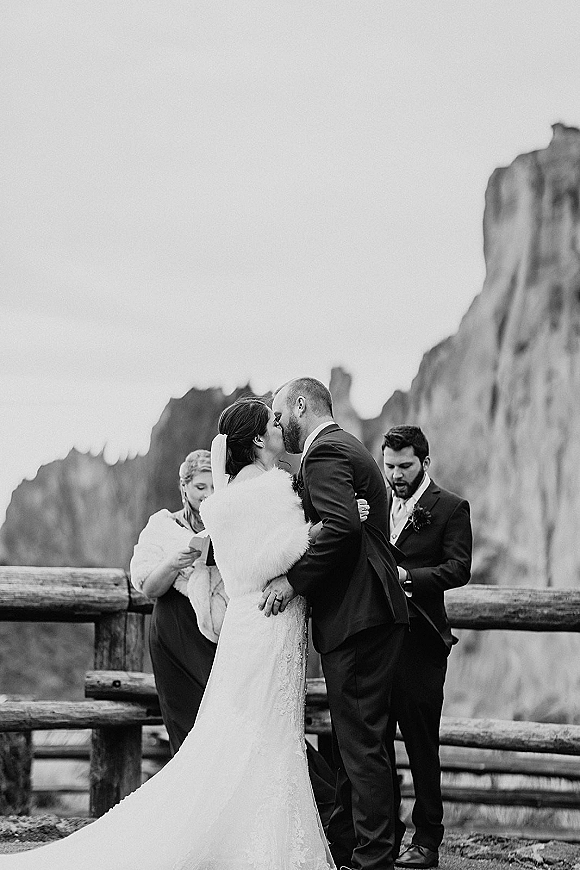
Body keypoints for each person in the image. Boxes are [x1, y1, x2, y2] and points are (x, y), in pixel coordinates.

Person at [2, 397, 363, 869]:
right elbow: (282, 556)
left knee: (250, 735)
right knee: (265, 736)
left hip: (248, 629)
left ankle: (242, 838)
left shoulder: (226, 501)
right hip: (270, 627)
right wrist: (333, 522)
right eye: (273, 423)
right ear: (257, 439)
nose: (281, 428)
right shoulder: (271, 489)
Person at [266, 378, 410, 870]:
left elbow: (342, 528)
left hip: (357, 616)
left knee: (361, 745)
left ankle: (372, 859)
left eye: (279, 412)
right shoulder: (347, 447)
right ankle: (356, 848)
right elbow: (351, 520)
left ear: (301, 405)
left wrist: (293, 581)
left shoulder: (324, 452)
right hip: (373, 613)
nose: (277, 423)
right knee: (365, 740)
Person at [381, 426, 472, 869]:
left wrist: (408, 579)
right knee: (374, 743)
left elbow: (459, 568)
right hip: (376, 643)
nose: (396, 475)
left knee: (421, 746)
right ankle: (385, 831)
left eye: (405, 466)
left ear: (424, 462)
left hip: (422, 645)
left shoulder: (450, 507)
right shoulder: (373, 506)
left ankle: (427, 841)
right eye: (390, 466)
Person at [130, 449, 224, 755]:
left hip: (216, 633)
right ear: (184, 487)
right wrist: (173, 563)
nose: (207, 495)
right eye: (200, 488)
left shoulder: (227, 523)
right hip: (174, 631)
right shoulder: (161, 526)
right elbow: (148, 589)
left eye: (213, 488)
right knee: (187, 723)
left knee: (224, 714)